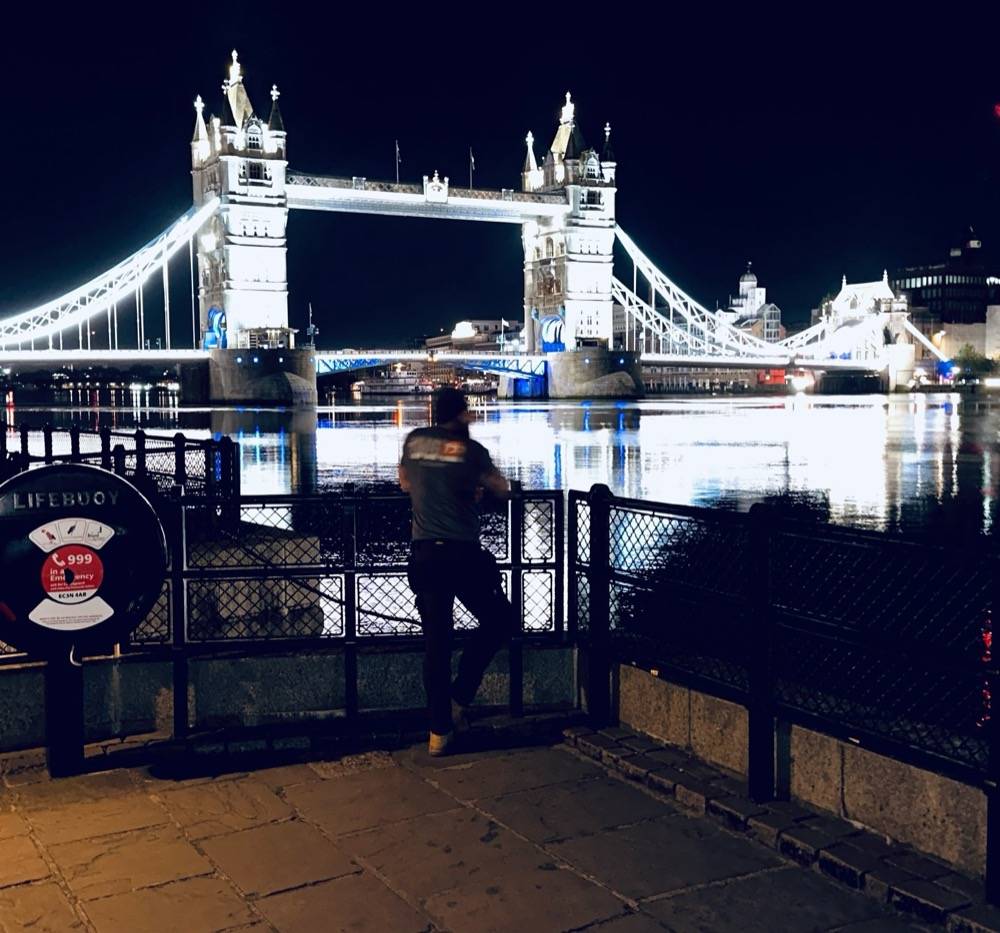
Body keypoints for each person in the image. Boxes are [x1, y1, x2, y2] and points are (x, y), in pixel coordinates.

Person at [398, 386, 513, 756]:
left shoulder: (414, 441)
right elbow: (502, 488)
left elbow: (405, 482)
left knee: (437, 643)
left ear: (435, 413)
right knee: (500, 620)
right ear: (461, 414)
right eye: (467, 413)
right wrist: (476, 491)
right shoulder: (470, 451)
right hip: (462, 554)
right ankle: (460, 697)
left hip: (424, 555)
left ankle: (439, 732)